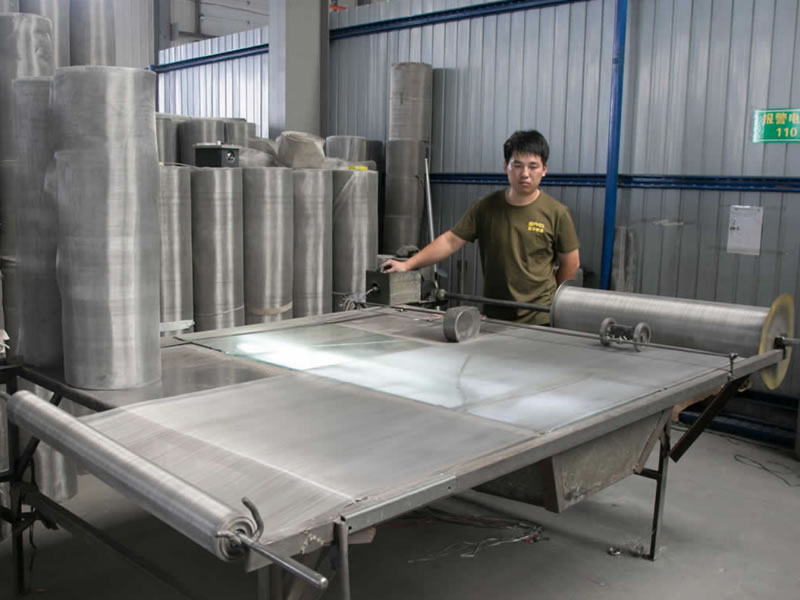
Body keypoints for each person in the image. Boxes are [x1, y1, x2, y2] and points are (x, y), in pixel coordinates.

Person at [382, 130, 580, 325]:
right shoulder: (486, 207)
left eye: (533, 166)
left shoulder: (556, 213)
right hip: (495, 315)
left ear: (544, 169)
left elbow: (570, 263)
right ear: (506, 166)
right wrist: (407, 265)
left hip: (539, 319)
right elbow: (450, 241)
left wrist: (552, 302)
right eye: (517, 165)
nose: (525, 174)